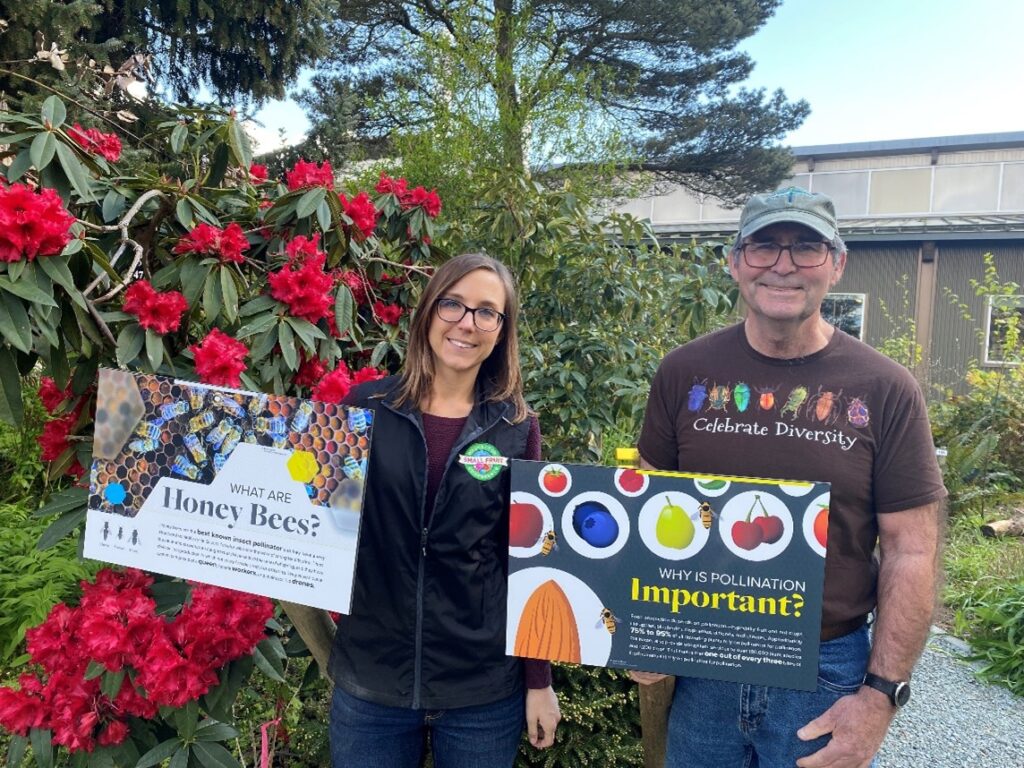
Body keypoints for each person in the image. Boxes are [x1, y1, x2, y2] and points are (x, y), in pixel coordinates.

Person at [630, 187, 946, 768]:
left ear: (837, 263)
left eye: (805, 247)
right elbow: (650, 513)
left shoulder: (885, 387)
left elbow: (912, 549)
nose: (783, 264)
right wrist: (645, 632)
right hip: (704, 663)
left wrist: (880, 697)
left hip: (826, 672)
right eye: (763, 246)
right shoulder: (684, 372)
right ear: (734, 262)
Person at [329, 253, 560, 767]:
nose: (466, 323)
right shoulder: (363, 409)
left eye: (486, 312)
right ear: (429, 311)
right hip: (371, 682)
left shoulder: (515, 428)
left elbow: (529, 561)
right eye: (453, 304)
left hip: (481, 691)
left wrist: (538, 682)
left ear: (501, 332)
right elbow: (327, 526)